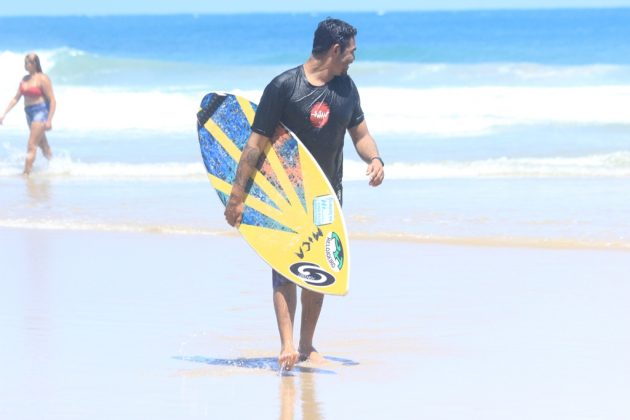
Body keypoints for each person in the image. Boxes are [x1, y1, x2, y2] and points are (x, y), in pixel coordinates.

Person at [224, 18, 385, 371]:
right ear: (334, 49)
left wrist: (374, 157)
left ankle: (307, 344)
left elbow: (360, 134)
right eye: (351, 52)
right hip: (285, 198)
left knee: (320, 267)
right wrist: (237, 198)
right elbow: (254, 146)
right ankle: (286, 345)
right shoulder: (284, 87)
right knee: (284, 265)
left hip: (327, 196)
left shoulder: (347, 89)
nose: (354, 58)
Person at [0, 53, 56, 175]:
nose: (26, 65)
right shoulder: (24, 79)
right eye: (25, 62)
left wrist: (49, 120)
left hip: (40, 112)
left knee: (31, 144)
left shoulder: (43, 78)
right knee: (42, 144)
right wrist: (3, 114)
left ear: (35, 64)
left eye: (28, 62)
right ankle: (56, 167)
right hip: (29, 114)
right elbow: (16, 98)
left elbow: (52, 100)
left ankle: (26, 173)